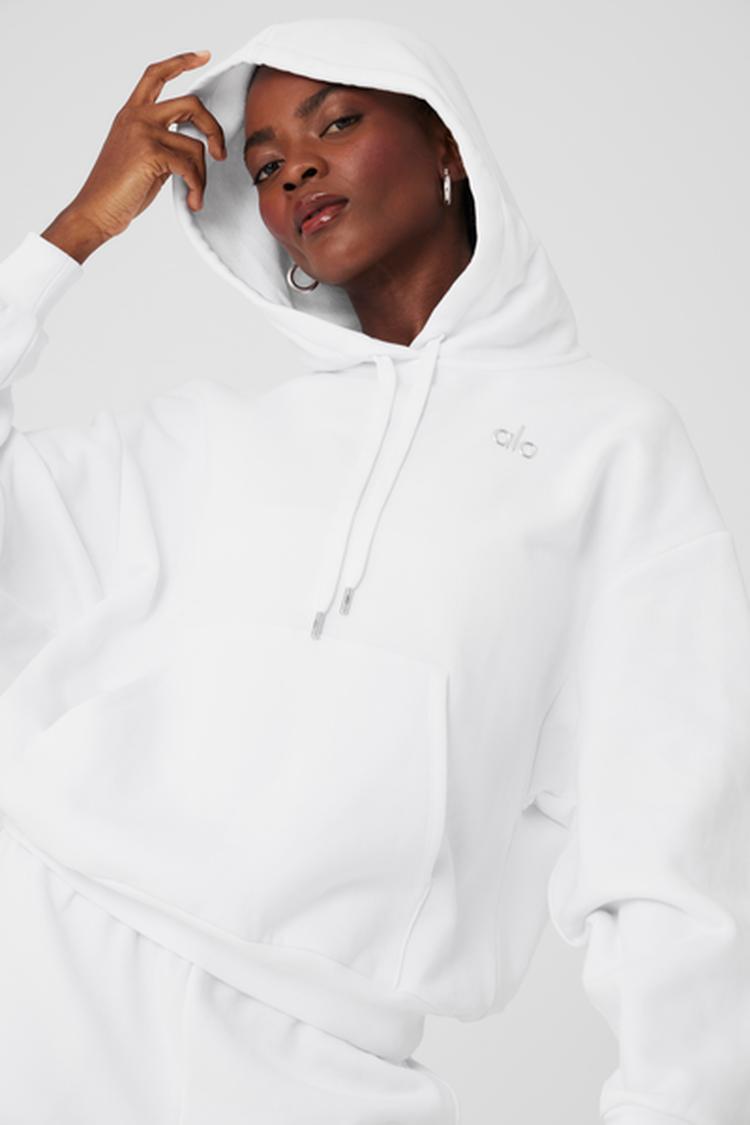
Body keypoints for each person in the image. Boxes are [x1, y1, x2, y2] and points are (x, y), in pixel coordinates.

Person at [0, 16, 748, 1125]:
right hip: (41, 978)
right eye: (263, 165)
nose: (295, 168)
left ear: (448, 144)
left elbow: (667, 839)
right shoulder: (202, 445)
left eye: (337, 122)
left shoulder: (608, 449)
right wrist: (68, 238)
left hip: (316, 1060)